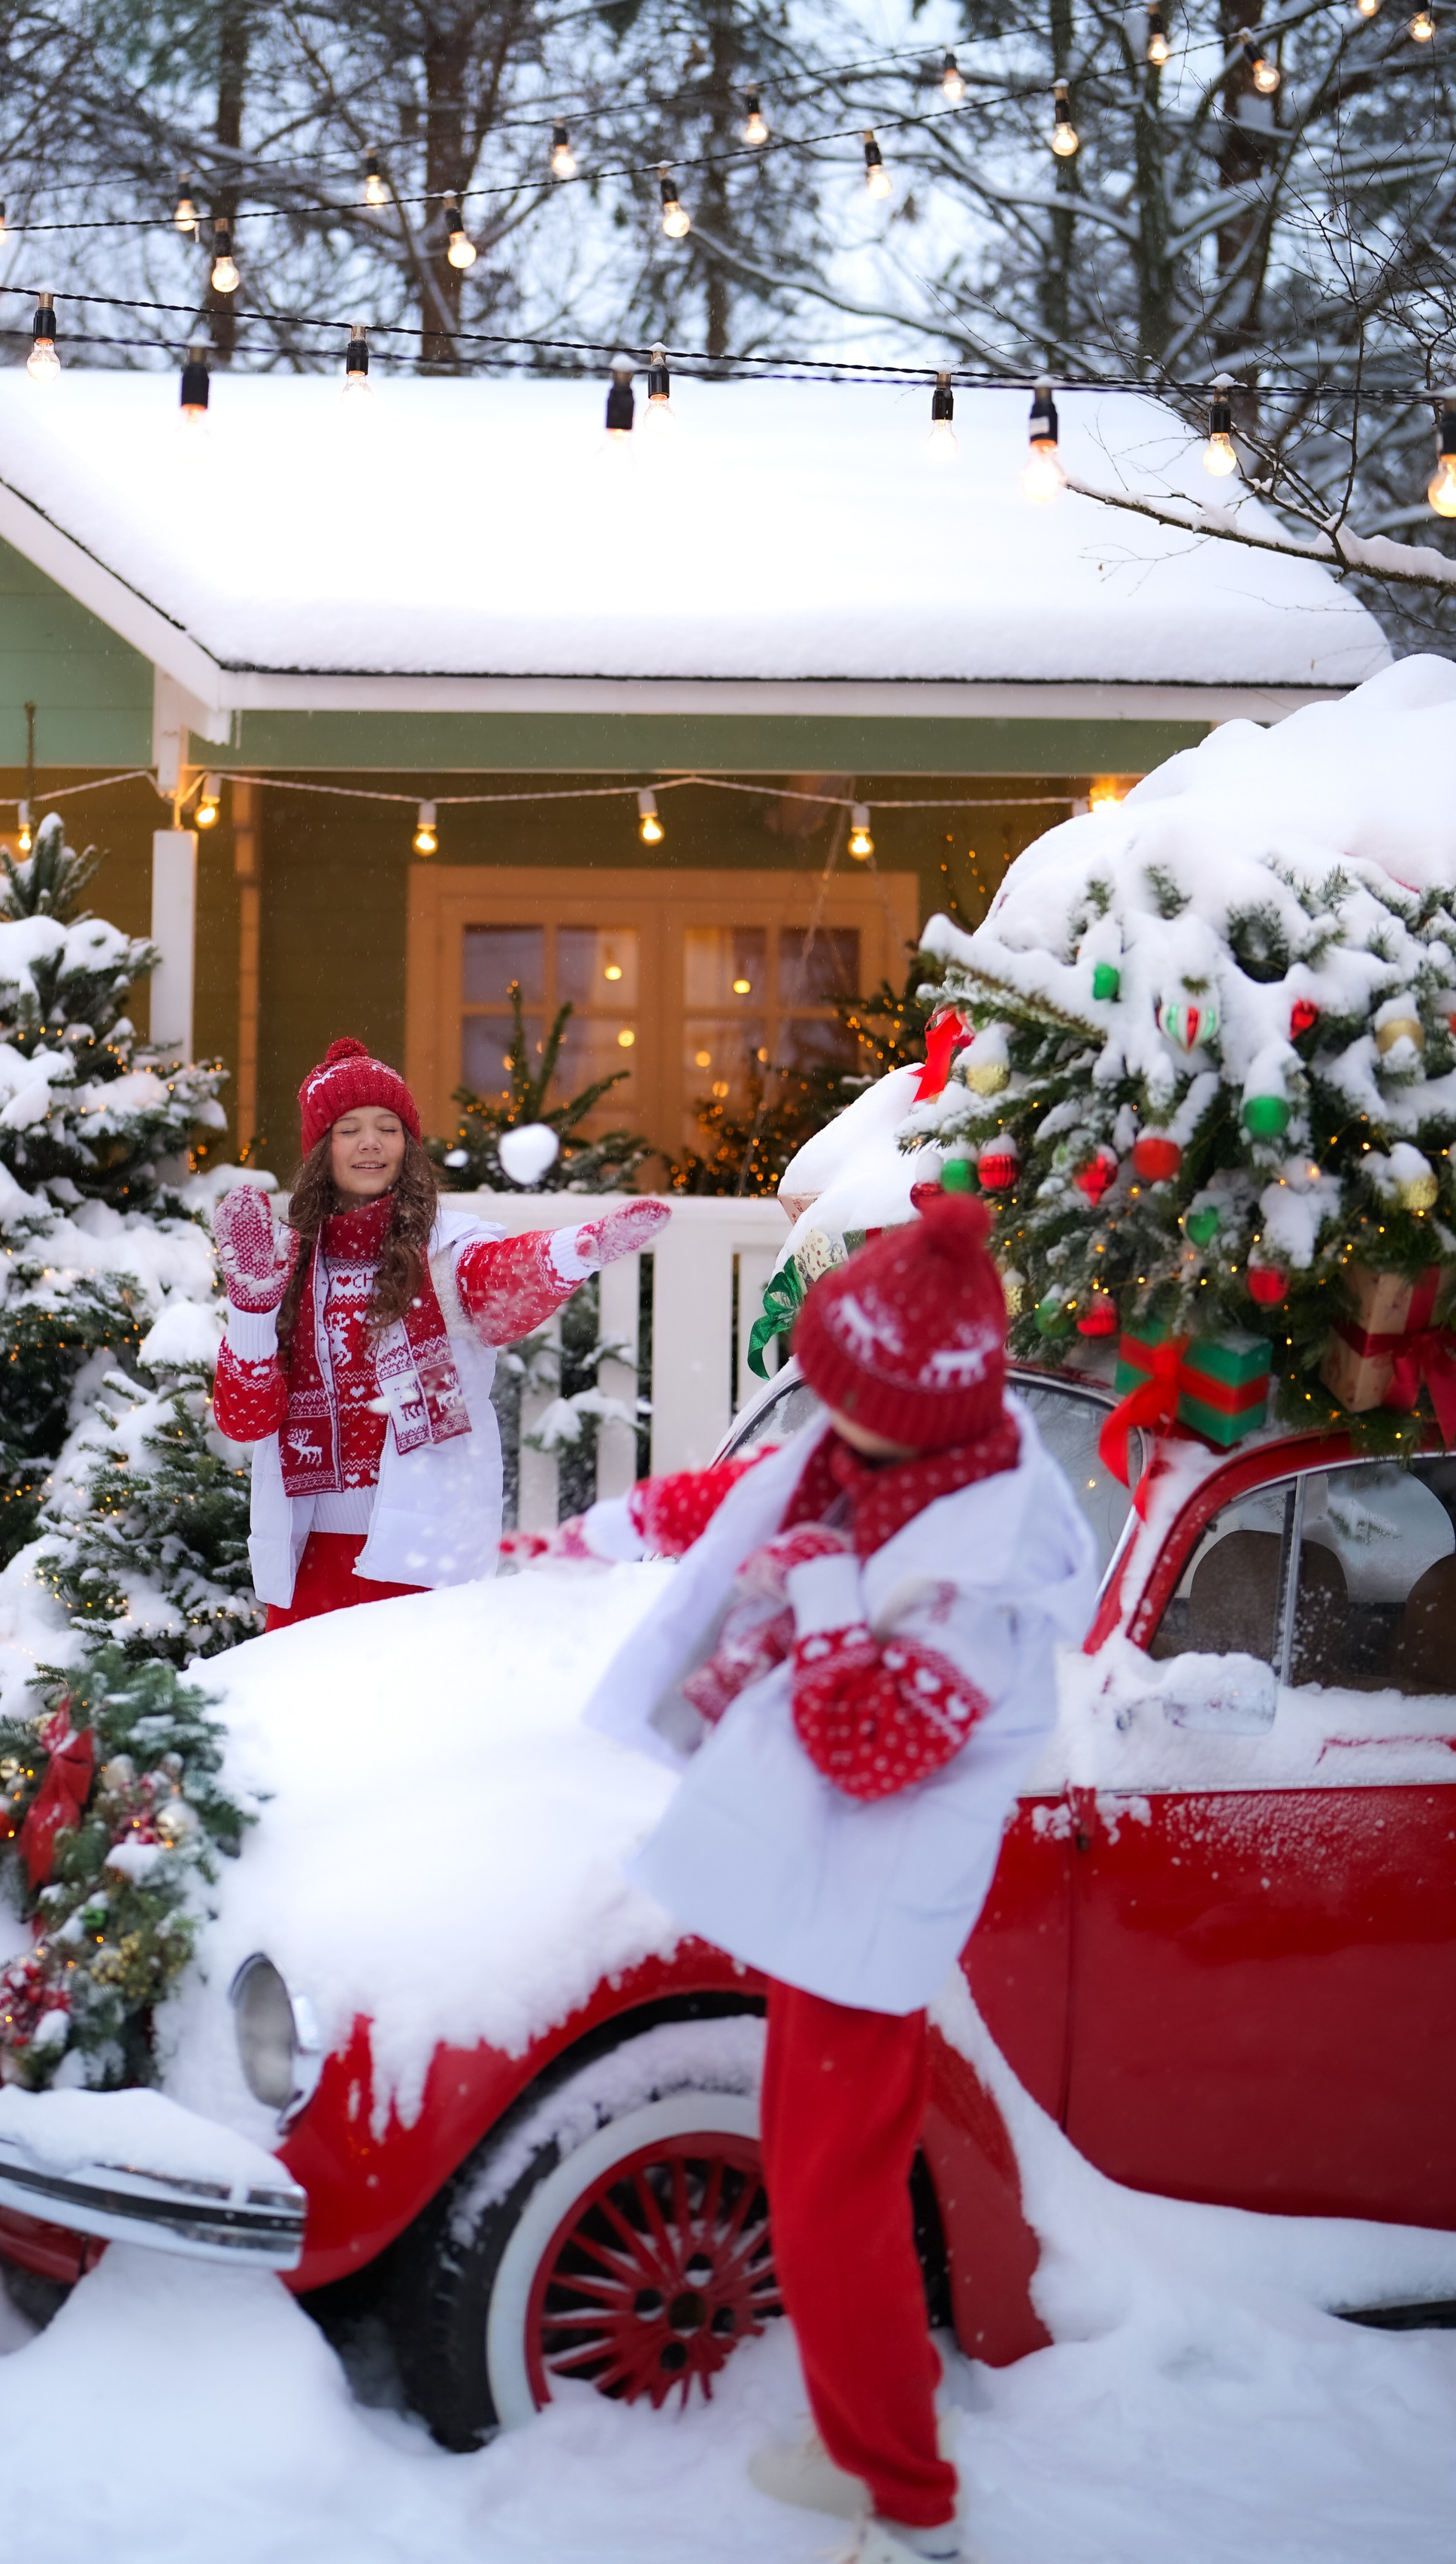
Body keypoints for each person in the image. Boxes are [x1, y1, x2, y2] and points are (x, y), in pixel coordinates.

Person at [552, 1196, 1096, 2564]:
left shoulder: (982, 1580)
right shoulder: (903, 1454)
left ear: (927, 1413)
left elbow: (868, 1750)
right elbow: (772, 1498)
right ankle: (883, 2439)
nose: (824, 1427)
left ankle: (910, 2504)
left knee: (832, 2208)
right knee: (820, 2191)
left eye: (850, 1407)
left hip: (870, 1917)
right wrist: (621, 1530)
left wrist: (822, 1598)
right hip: (826, 1899)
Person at [210, 1035, 669, 1627]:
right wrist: (250, 1311)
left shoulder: (447, 1251)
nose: (371, 1143)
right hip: (306, 1557)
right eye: (349, 1129)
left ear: (409, 1144)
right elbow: (244, 1420)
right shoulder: (285, 1261)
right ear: (321, 1148)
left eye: (388, 1126)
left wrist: (572, 1252)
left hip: (417, 1549)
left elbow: (500, 1283)